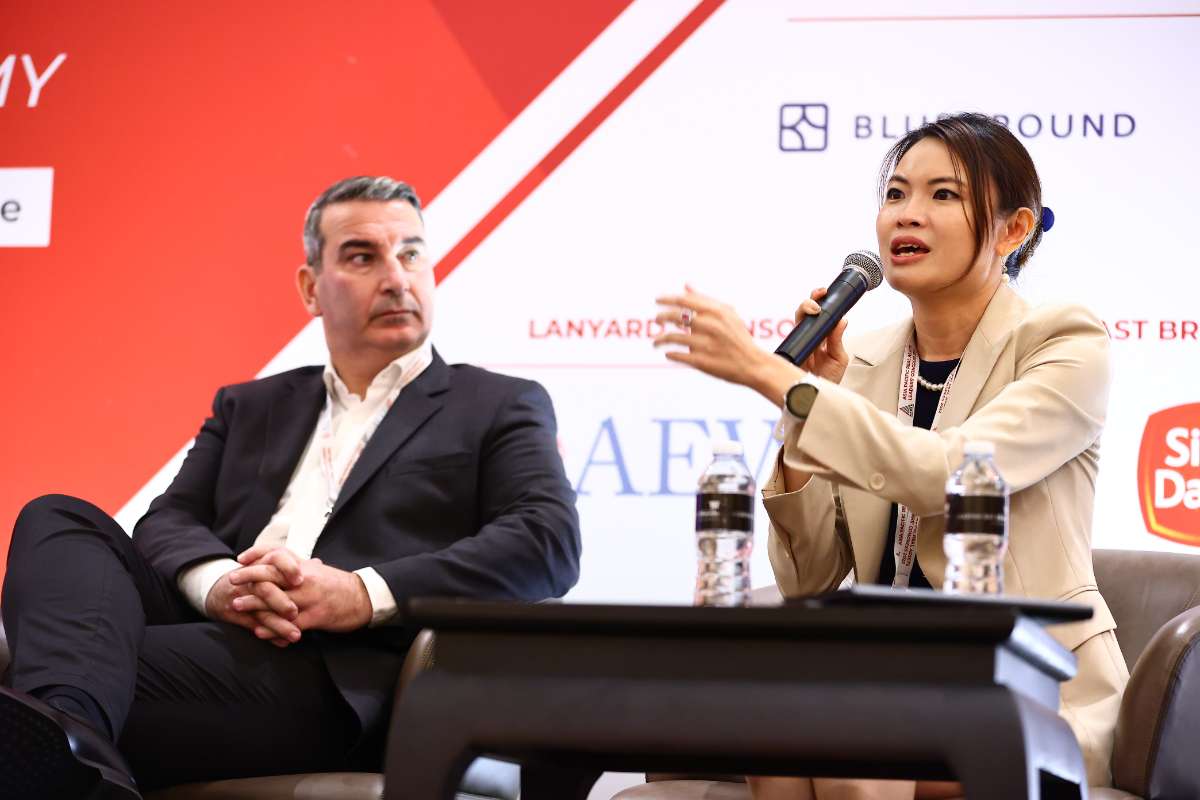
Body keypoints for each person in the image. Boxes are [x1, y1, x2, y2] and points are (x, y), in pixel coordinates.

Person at [0, 176, 581, 798]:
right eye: (362, 256)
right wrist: (219, 584)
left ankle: (63, 743)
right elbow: (168, 520)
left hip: (331, 673)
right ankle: (73, 753)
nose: (396, 278)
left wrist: (360, 593)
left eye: (411, 253)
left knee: (58, 677)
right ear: (310, 288)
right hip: (209, 627)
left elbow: (545, 540)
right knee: (58, 517)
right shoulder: (250, 405)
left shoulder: (495, 403)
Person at [653, 113, 1126, 799]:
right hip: (889, 683)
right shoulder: (867, 361)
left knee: (859, 757)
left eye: (943, 195)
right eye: (896, 193)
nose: (908, 214)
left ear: (1014, 230)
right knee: (777, 739)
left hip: (1032, 692)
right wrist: (805, 405)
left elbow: (951, 474)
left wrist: (770, 374)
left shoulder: (1064, 342)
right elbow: (810, 578)